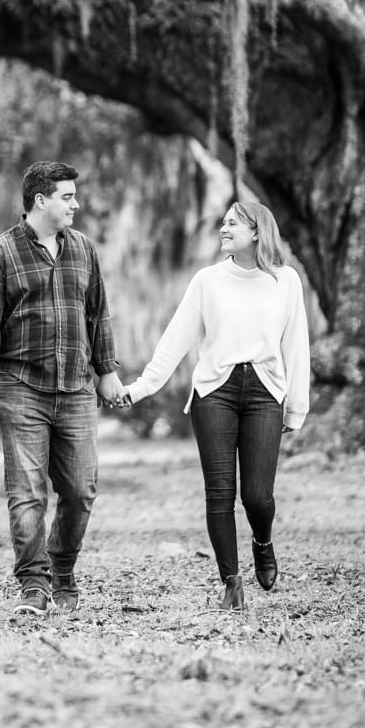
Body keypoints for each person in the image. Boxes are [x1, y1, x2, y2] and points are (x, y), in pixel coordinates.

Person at [116, 200, 310, 610]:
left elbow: (296, 347)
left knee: (258, 496)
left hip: (264, 393)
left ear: (258, 231)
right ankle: (232, 582)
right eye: (223, 222)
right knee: (219, 492)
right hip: (215, 393)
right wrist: (141, 387)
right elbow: (176, 339)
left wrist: (297, 406)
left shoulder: (285, 281)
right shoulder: (207, 281)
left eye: (233, 223)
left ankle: (263, 541)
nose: (224, 228)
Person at [0, 161, 126, 616]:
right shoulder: (0, 253)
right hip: (21, 386)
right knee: (27, 492)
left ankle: (62, 567)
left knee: (80, 490)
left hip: (77, 387)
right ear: (41, 201)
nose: (76, 204)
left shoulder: (83, 250)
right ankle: (34, 584)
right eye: (67, 196)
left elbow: (98, 314)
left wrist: (107, 371)